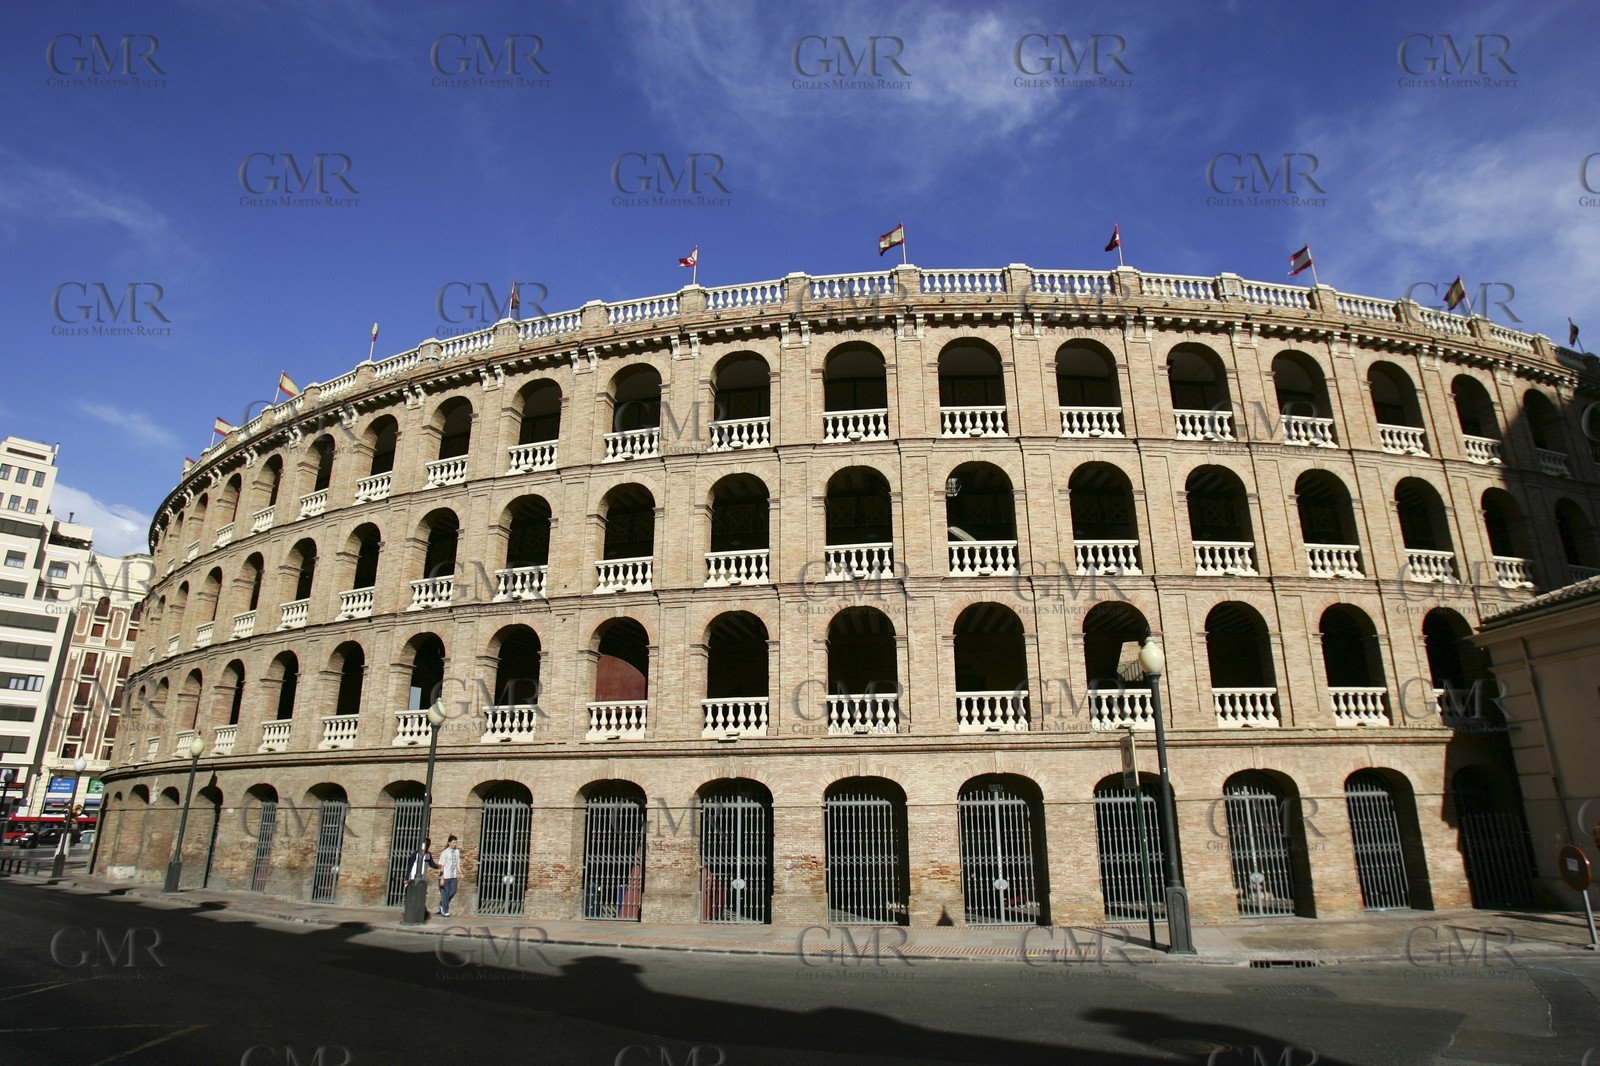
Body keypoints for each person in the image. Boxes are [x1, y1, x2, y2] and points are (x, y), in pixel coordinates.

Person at [437, 835, 462, 917]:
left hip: (453, 876)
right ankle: (445, 910)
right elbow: (441, 866)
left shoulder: (457, 852)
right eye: (454, 843)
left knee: (453, 892)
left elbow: (458, 863)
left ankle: (442, 904)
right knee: (445, 893)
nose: (455, 844)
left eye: (456, 843)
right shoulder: (445, 853)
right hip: (446, 876)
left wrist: (460, 873)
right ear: (449, 843)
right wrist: (442, 878)